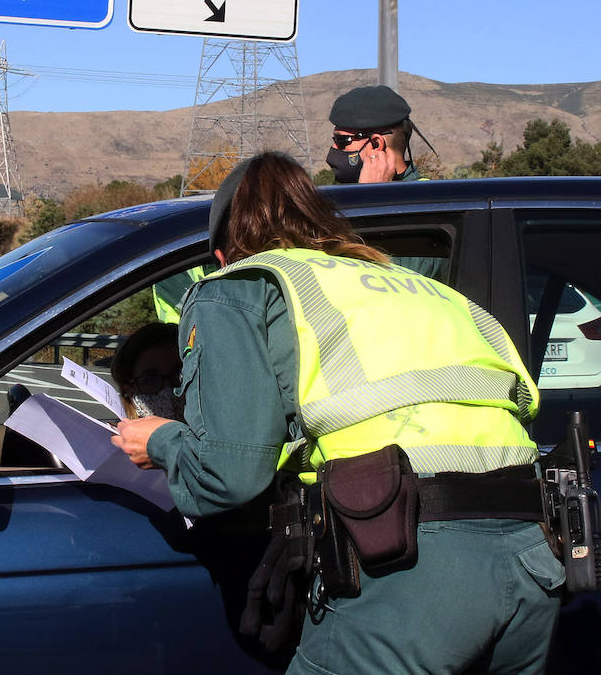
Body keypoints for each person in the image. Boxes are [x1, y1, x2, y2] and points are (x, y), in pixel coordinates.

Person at [112, 152, 562, 675]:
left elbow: (230, 475)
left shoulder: (239, 287)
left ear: (221, 254)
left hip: (410, 566)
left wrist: (163, 440)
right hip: (533, 558)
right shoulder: (427, 291)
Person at [326, 84, 433, 182]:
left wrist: (372, 194)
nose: (334, 148)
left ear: (376, 144)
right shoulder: (341, 198)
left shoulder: (429, 197)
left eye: (342, 140)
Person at [110, 321, 184, 420]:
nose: (168, 390)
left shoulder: (210, 430)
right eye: (150, 380)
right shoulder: (111, 435)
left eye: (179, 374)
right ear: (129, 390)